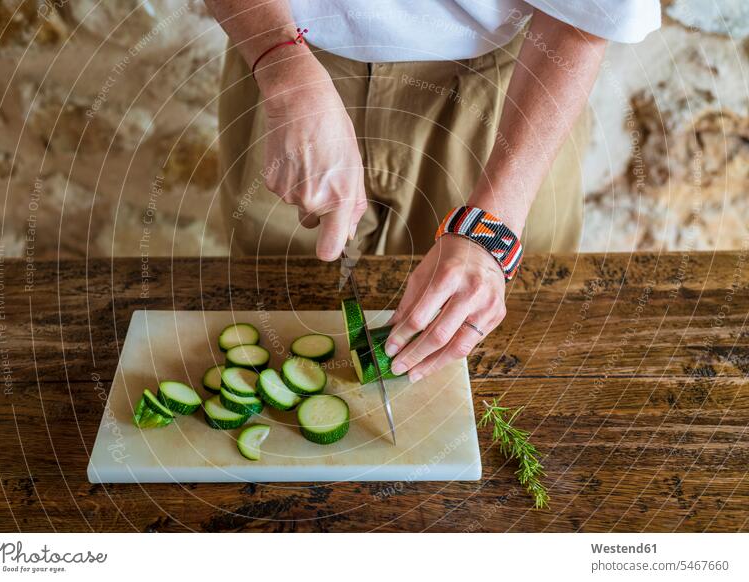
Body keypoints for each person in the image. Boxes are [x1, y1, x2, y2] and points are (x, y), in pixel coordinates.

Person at [206, 0, 661, 382]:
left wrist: (491, 230)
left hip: (509, 92)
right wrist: (282, 64)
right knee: (274, 315)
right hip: (281, 56)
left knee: (500, 353)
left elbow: (589, 10)